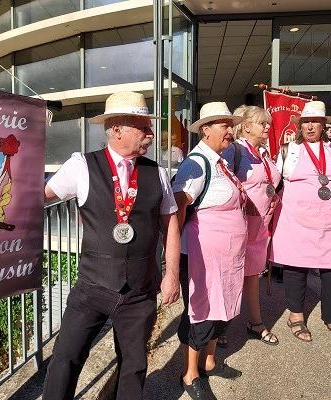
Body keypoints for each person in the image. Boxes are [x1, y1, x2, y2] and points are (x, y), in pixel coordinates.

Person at [42, 91, 180, 400]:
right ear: (116, 129)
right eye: (143, 127)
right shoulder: (81, 165)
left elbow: (170, 224)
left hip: (140, 291)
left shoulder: (156, 172)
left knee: (133, 365)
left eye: (149, 126)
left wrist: (171, 274)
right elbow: (39, 197)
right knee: (66, 359)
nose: (151, 133)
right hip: (92, 287)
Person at [173, 102, 247, 400]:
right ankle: (190, 374)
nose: (231, 131)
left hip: (226, 257)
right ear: (205, 129)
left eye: (231, 125)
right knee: (202, 311)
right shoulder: (197, 163)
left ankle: (210, 361)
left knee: (223, 308)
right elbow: (179, 204)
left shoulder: (221, 160)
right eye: (224, 125)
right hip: (203, 256)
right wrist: (173, 251)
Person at [270, 100, 331, 341]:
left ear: (323, 125)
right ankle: (296, 315)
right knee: (296, 268)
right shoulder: (289, 150)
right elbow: (274, 182)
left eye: (315, 122)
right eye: (306, 122)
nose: (310, 126)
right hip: (295, 221)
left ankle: (330, 316)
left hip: (326, 222)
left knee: (329, 269)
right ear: (300, 125)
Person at [222, 105, 281, 346]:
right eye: (262, 123)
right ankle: (219, 327)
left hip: (260, 226)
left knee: (252, 275)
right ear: (246, 127)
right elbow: (224, 184)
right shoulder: (234, 151)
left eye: (268, 123)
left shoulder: (263, 152)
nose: (268, 127)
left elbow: (271, 182)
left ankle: (255, 322)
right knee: (231, 275)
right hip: (240, 225)